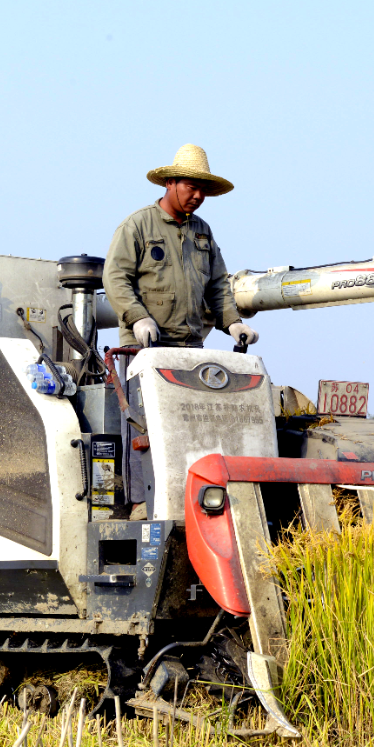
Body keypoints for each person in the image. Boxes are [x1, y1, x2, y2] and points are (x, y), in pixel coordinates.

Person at [103, 144, 259, 518]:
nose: (199, 196)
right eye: (192, 186)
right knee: (143, 427)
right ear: (170, 182)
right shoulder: (138, 225)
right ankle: (142, 502)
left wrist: (232, 322)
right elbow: (116, 276)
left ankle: (190, 496)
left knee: (189, 426)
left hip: (190, 347)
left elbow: (218, 284)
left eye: (204, 190)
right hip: (144, 349)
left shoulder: (202, 232)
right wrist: (138, 317)